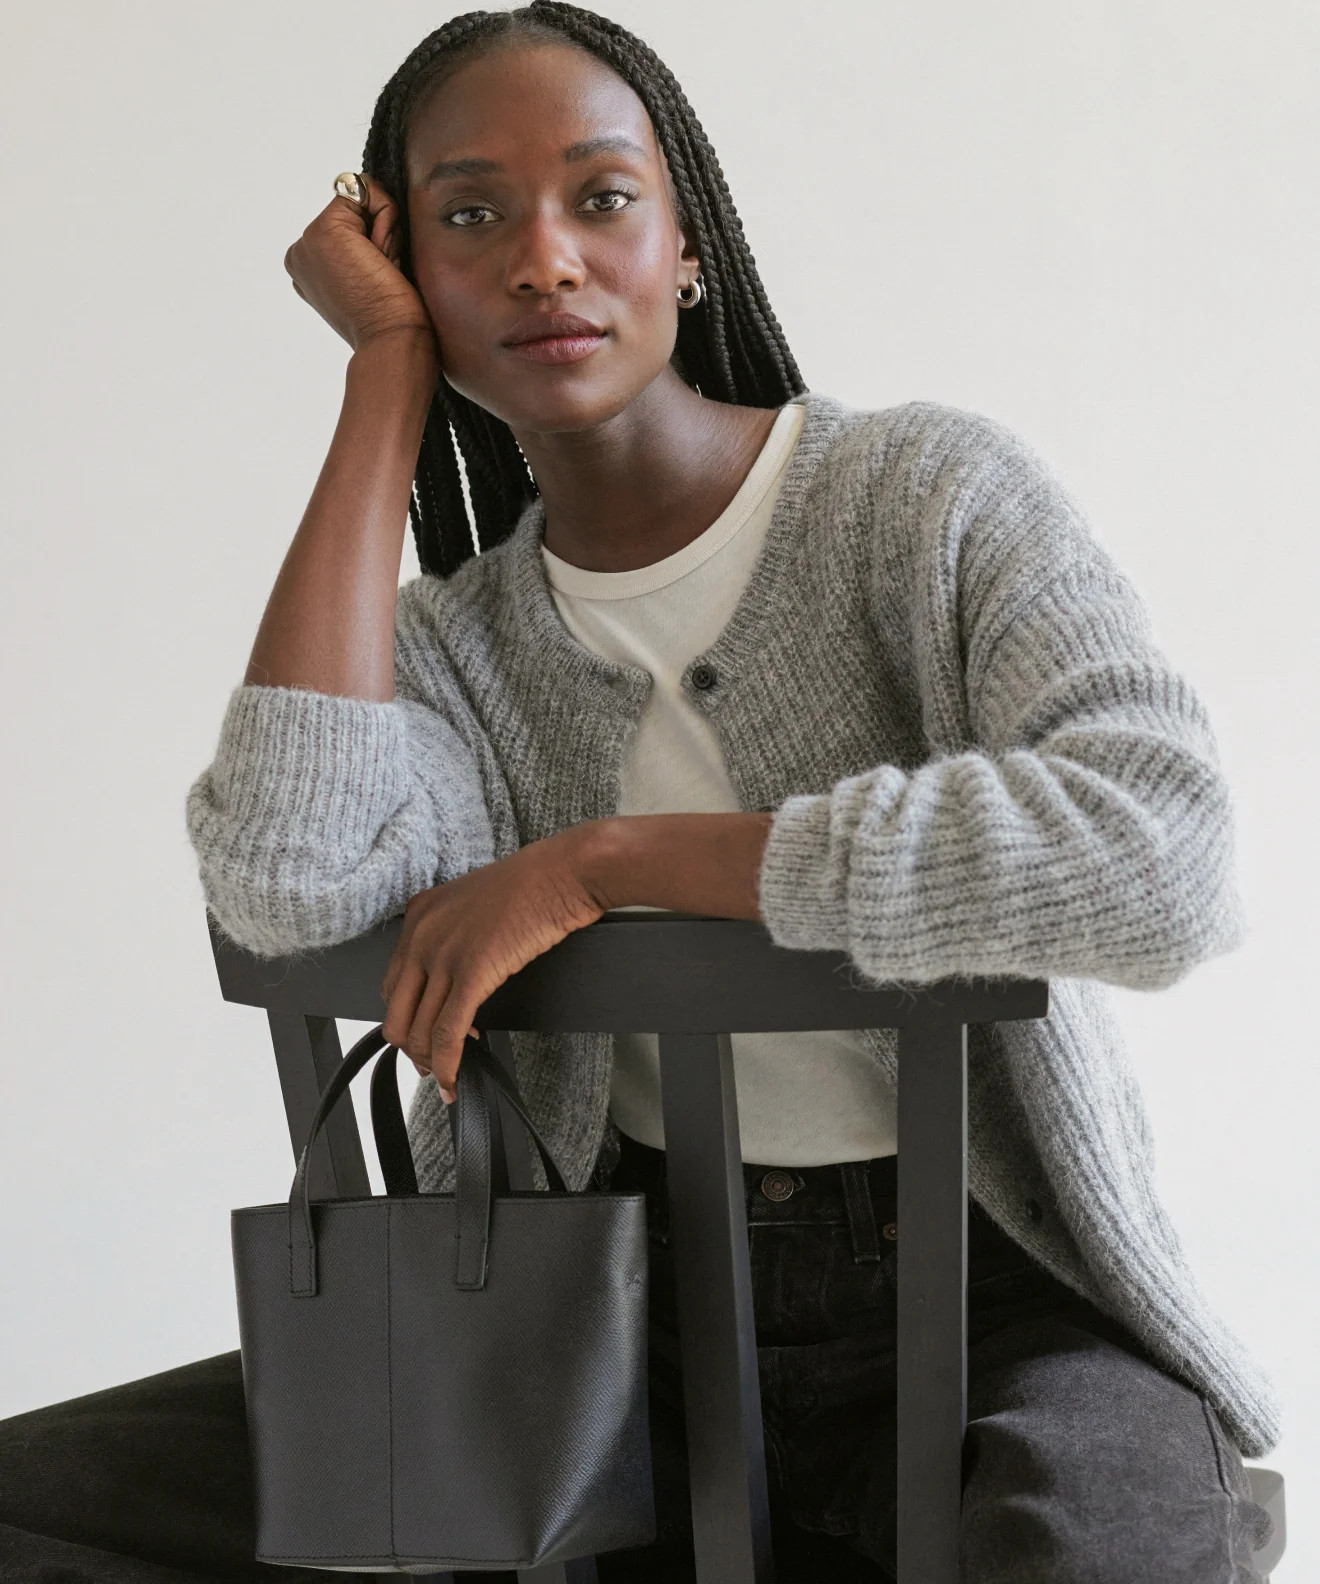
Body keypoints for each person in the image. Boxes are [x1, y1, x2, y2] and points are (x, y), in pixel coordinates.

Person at [0, 3, 1281, 1580]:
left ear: (687, 247)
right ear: (414, 273)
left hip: (999, 1300)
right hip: (597, 1334)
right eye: (472, 219)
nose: (544, 260)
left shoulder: (928, 500)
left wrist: (608, 861)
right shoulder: (451, 650)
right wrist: (384, 383)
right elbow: (284, 877)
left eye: (601, 198)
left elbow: (1163, 856)